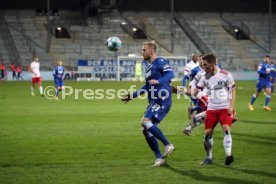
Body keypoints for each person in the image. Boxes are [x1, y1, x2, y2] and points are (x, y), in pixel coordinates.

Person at [121, 41, 175, 167]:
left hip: (162, 99)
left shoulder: (160, 61)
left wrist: (159, 80)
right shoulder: (149, 68)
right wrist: (132, 96)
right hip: (154, 100)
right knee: (145, 130)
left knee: (145, 121)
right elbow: (146, 86)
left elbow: (170, 74)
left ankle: (168, 145)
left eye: (144, 50)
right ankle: (159, 158)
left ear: (151, 51)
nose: (142, 52)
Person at [196, 54, 236, 166]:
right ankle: (208, 158)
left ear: (212, 63)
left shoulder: (226, 75)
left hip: (224, 108)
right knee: (207, 134)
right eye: (203, 65)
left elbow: (233, 92)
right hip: (212, 109)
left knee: (226, 129)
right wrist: (177, 91)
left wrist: (231, 107)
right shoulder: (204, 77)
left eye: (206, 65)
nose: (204, 67)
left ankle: (228, 156)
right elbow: (195, 91)